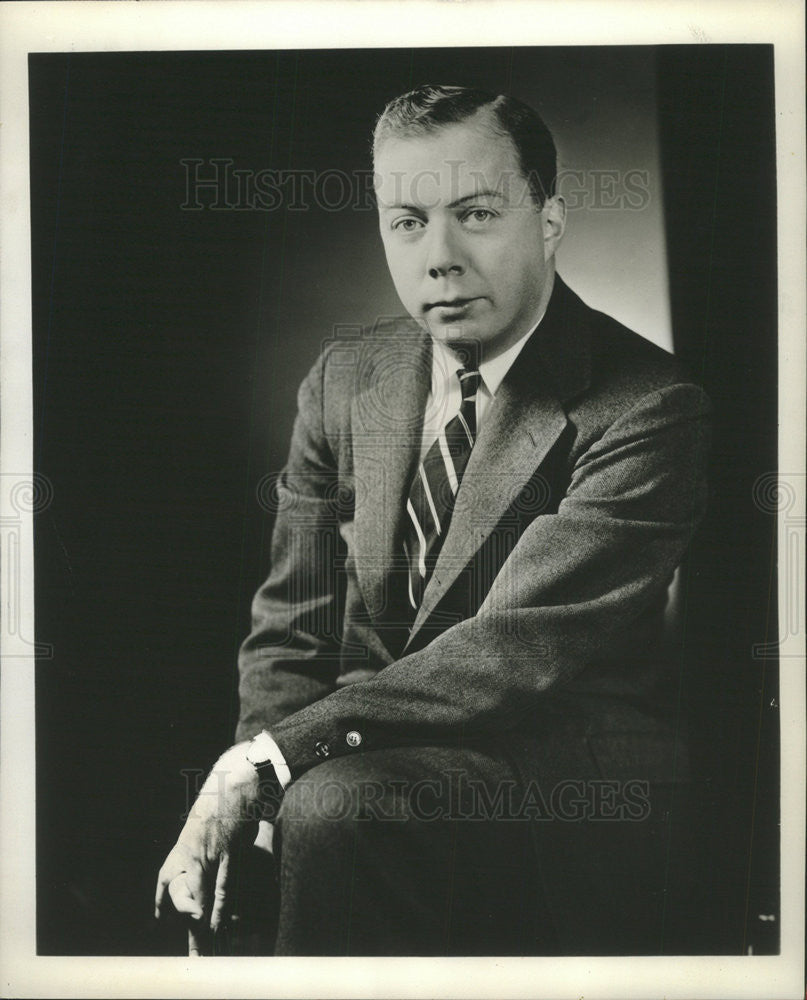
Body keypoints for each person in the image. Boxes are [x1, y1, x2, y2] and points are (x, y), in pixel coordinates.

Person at [155, 84, 710, 956]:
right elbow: (290, 635)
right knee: (300, 824)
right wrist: (259, 794)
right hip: (358, 760)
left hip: (552, 786)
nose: (439, 258)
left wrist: (270, 763)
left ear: (549, 222)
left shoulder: (649, 405)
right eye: (407, 221)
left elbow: (513, 651)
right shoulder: (344, 378)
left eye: (476, 213)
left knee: (339, 805)